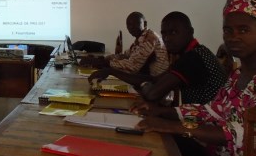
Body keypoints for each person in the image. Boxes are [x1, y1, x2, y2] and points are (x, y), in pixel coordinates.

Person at [134, 0, 256, 156]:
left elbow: (242, 134)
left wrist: (174, 126)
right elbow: (212, 111)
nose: (234, 37)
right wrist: (161, 112)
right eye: (228, 30)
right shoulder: (237, 76)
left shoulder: (196, 57)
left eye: (243, 30)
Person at [91, 11, 226, 105]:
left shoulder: (194, 57)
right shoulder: (189, 53)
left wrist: (145, 85)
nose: (167, 38)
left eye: (173, 32)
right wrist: (110, 70)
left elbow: (152, 94)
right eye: (164, 33)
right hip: (189, 113)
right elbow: (155, 80)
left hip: (204, 126)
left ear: (190, 32)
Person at [85, 11, 169, 75]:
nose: (131, 28)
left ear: (145, 23)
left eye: (135, 24)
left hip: (156, 83)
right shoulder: (140, 39)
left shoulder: (150, 38)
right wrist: (103, 59)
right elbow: (126, 56)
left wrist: (104, 63)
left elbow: (132, 66)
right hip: (147, 78)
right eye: (128, 25)